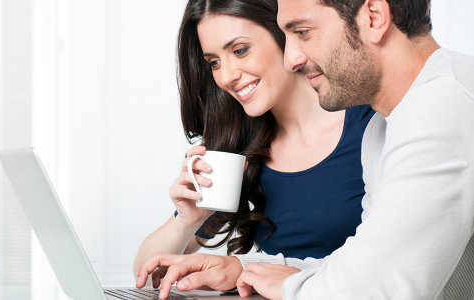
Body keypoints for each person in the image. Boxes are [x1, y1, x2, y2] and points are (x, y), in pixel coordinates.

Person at [139, 0, 474, 299]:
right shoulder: (383, 127)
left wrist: (279, 283)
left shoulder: (443, 104)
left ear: (373, 16)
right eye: (214, 61)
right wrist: (242, 268)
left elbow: (374, 287)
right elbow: (359, 267)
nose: (293, 57)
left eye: (302, 32)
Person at [133, 0, 374, 296]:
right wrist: (187, 221)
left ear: (283, 33)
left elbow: (391, 264)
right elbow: (148, 275)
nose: (226, 77)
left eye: (239, 50)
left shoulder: (370, 124)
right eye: (214, 62)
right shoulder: (241, 153)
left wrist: (243, 267)